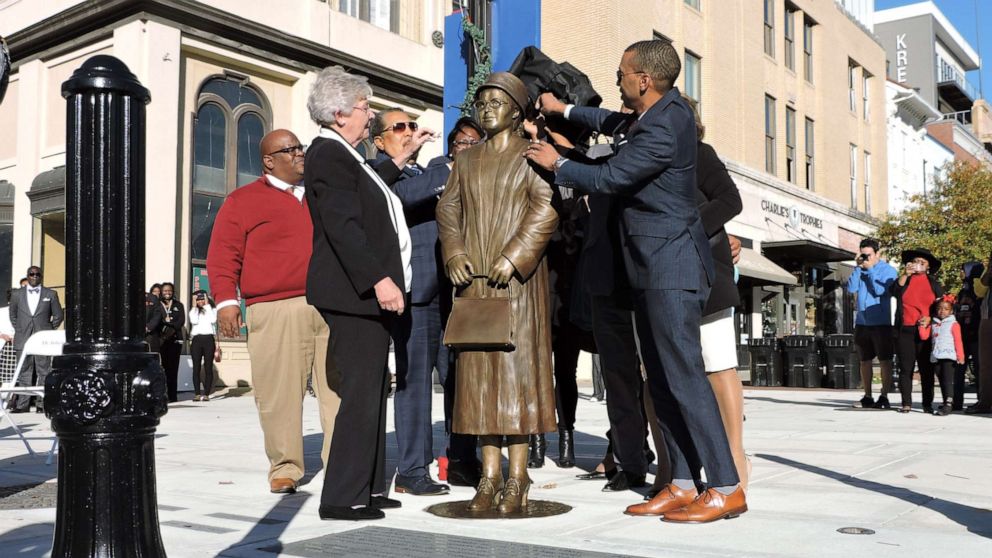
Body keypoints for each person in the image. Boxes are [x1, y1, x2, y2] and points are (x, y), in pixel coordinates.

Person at [525, 39, 745, 523]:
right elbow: (609, 122)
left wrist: (557, 164)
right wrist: (565, 109)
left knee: (685, 377)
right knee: (662, 380)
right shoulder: (654, 114)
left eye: (623, 71)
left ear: (643, 79)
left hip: (671, 267)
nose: (618, 77)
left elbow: (611, 178)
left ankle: (726, 486)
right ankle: (683, 482)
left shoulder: (667, 124)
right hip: (648, 267)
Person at [304, 65, 430, 521]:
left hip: (363, 296)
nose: (370, 114)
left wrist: (402, 157)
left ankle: (371, 487)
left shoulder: (348, 156)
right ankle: (342, 496)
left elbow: (372, 188)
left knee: (374, 389)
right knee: (360, 393)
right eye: (364, 107)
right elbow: (344, 226)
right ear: (339, 113)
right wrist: (379, 279)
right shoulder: (328, 154)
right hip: (353, 295)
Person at [437, 72, 559, 514]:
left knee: (516, 378)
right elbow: (447, 208)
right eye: (482, 101)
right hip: (474, 283)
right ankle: (489, 475)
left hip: (518, 285)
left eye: (497, 101)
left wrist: (514, 256)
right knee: (478, 381)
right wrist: (453, 251)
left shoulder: (531, 157)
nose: (487, 107)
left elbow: (545, 210)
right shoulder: (467, 161)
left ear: (516, 111)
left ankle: (519, 475)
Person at [206, 128, 341, 495]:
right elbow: (222, 255)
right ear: (269, 161)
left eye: (302, 148)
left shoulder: (321, 194)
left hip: (332, 305)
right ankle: (285, 467)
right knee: (278, 393)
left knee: (338, 391)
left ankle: (342, 463)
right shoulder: (243, 200)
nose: (300, 154)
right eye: (291, 149)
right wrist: (226, 302)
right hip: (274, 308)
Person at [368, 107, 450, 496]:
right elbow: (402, 197)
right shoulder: (377, 172)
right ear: (378, 140)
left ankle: (461, 459)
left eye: (412, 126)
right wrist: (450, 165)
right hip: (416, 293)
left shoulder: (425, 171)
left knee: (457, 380)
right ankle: (413, 470)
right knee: (415, 383)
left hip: (452, 290)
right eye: (398, 127)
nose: (409, 132)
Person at [437, 117, 484, 488]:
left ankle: (463, 456)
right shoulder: (437, 172)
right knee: (441, 377)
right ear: (452, 145)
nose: (467, 146)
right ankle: (428, 458)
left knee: (463, 378)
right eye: (462, 141)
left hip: (471, 293)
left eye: (475, 141)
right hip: (431, 294)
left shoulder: (484, 179)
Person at [847, 238, 898, 409]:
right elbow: (851, 288)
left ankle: (884, 395)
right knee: (864, 360)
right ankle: (867, 395)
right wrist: (857, 267)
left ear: (877, 254)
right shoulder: (860, 268)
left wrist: (870, 271)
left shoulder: (888, 271)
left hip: (881, 322)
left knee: (885, 360)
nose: (866, 258)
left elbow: (881, 291)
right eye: (863, 255)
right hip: (862, 321)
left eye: (869, 255)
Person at [890, 248, 943, 414]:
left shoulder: (934, 283)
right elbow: (893, 291)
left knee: (926, 369)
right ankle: (906, 403)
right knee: (905, 368)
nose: (918, 265)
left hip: (925, 330)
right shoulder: (905, 280)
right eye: (916, 261)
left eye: (922, 262)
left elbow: (943, 307)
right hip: (905, 329)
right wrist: (905, 274)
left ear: (928, 267)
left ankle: (927, 403)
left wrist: (930, 317)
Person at [9, 266, 63, 413]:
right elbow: (13, 315)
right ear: (27, 276)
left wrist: (48, 330)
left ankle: (41, 405)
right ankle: (22, 405)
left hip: (42, 341)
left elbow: (58, 315)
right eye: (31, 274)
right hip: (22, 337)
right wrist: (19, 328)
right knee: (23, 371)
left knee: (44, 371)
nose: (34, 276)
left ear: (41, 276)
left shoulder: (50, 294)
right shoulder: (16, 294)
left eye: (37, 274)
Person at [917, 295, 964, 416]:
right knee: (941, 380)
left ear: (951, 311)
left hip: (949, 356)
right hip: (936, 356)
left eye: (946, 308)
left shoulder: (954, 324)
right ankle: (945, 401)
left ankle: (948, 404)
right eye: (939, 308)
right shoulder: (934, 323)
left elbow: (958, 340)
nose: (942, 311)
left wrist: (960, 355)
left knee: (947, 381)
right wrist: (922, 326)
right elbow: (924, 336)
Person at [954, 261, 984, 410]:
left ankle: (982, 399)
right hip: (962, 335)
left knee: (979, 369)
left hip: (976, 335)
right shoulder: (962, 291)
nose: (960, 273)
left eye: (962, 270)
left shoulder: (980, 291)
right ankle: (957, 401)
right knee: (959, 369)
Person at [966, 256, 992, 414]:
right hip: (988, 317)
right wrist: (989, 271)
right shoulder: (986, 273)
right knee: (986, 364)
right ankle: (985, 401)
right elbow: (979, 291)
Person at [157, 282, 185, 403]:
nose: (167, 293)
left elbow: (181, 321)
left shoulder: (179, 305)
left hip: (175, 339)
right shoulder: (158, 305)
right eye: (165, 291)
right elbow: (158, 320)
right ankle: (163, 395)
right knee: (162, 368)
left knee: (173, 368)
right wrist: (167, 325)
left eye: (169, 291)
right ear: (161, 292)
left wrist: (170, 326)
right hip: (162, 340)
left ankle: (173, 396)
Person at [188, 290, 217, 402]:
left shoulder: (212, 309)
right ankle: (196, 393)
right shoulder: (193, 311)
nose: (200, 301)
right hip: (197, 339)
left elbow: (213, 320)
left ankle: (206, 393)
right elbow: (194, 321)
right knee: (196, 367)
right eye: (198, 299)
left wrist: (207, 305)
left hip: (209, 339)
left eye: (202, 299)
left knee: (208, 367)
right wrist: (195, 306)